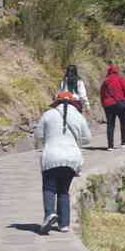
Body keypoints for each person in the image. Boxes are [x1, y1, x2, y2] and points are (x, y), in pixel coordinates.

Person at [36, 91, 92, 234]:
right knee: (63, 190)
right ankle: (64, 224)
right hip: (72, 158)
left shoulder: (48, 115)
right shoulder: (79, 116)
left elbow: (38, 136)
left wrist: (48, 140)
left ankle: (49, 214)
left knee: (49, 188)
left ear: (57, 101)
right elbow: (87, 139)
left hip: (52, 157)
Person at [100, 64, 125, 150]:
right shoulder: (121, 79)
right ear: (117, 71)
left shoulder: (105, 81)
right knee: (123, 122)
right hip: (120, 103)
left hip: (108, 104)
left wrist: (103, 104)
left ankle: (110, 146)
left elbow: (102, 94)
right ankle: (124, 142)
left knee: (110, 125)